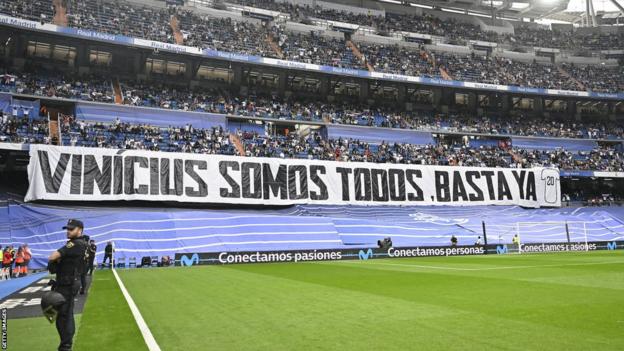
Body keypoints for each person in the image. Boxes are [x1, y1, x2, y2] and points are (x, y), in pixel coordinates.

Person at [47, 219, 87, 351]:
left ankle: (66, 346)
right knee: (63, 314)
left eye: (71, 229)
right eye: (67, 229)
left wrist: (57, 259)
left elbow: (53, 256)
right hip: (65, 282)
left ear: (79, 230)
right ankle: (65, 344)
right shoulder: (74, 243)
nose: (68, 231)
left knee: (65, 315)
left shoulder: (76, 244)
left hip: (68, 284)